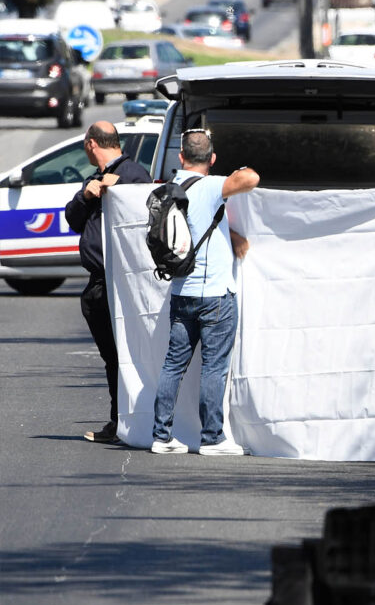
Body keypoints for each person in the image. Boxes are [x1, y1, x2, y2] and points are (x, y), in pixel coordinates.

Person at [149, 129, 260, 455]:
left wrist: (232, 232)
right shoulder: (212, 186)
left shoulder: (171, 189)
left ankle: (161, 436)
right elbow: (251, 178)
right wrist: (239, 169)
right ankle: (212, 438)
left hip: (182, 291)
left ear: (181, 157)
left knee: (173, 365)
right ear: (211, 159)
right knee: (213, 367)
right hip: (215, 296)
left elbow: (196, 226)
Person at [66, 121, 152, 444]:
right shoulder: (93, 180)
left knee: (124, 354)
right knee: (111, 356)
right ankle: (121, 421)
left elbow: (144, 210)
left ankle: (125, 422)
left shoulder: (133, 174)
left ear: (91, 144)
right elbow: (72, 219)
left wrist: (121, 189)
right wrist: (85, 195)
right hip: (98, 283)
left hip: (120, 282)